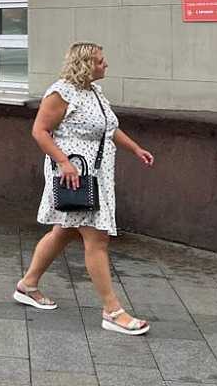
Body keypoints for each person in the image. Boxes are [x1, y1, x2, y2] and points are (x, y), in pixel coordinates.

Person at [14, 42, 155, 335]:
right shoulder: (61, 92)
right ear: (85, 64)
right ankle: (113, 311)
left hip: (95, 174)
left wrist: (135, 149)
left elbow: (109, 129)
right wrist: (64, 162)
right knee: (97, 238)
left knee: (64, 231)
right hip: (74, 174)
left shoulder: (94, 91)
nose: (106, 65)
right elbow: (39, 131)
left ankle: (27, 285)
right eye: (100, 61)